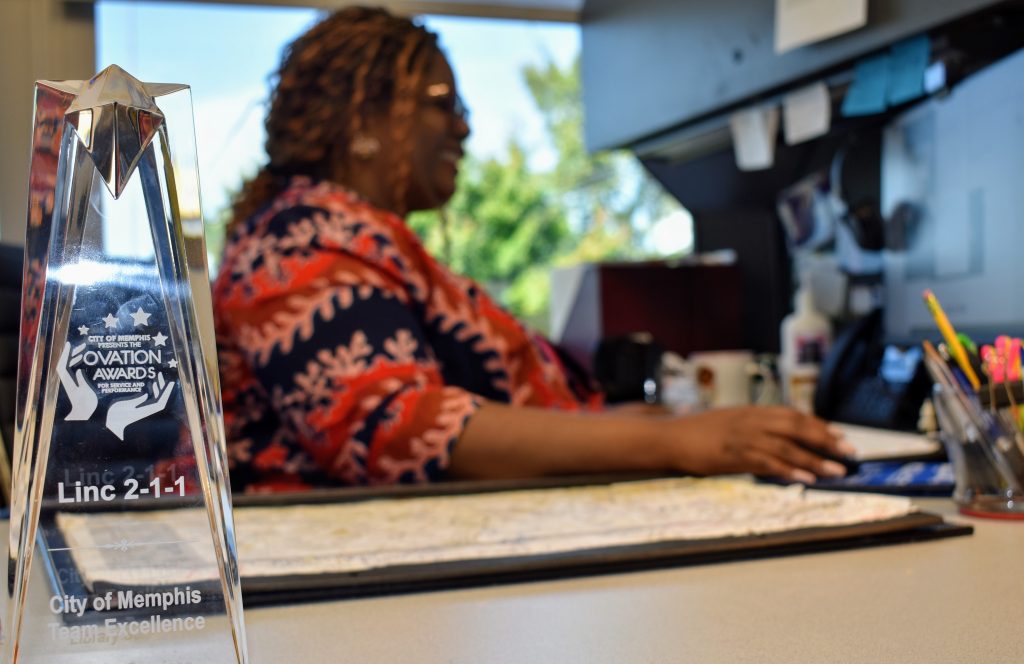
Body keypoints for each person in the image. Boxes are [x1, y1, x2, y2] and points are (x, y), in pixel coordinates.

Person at [214, 7, 854, 492]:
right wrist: (679, 442)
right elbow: (399, 429)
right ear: (360, 126)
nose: (464, 124)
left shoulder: (352, 238)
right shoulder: (297, 242)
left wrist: (644, 424)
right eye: (443, 103)